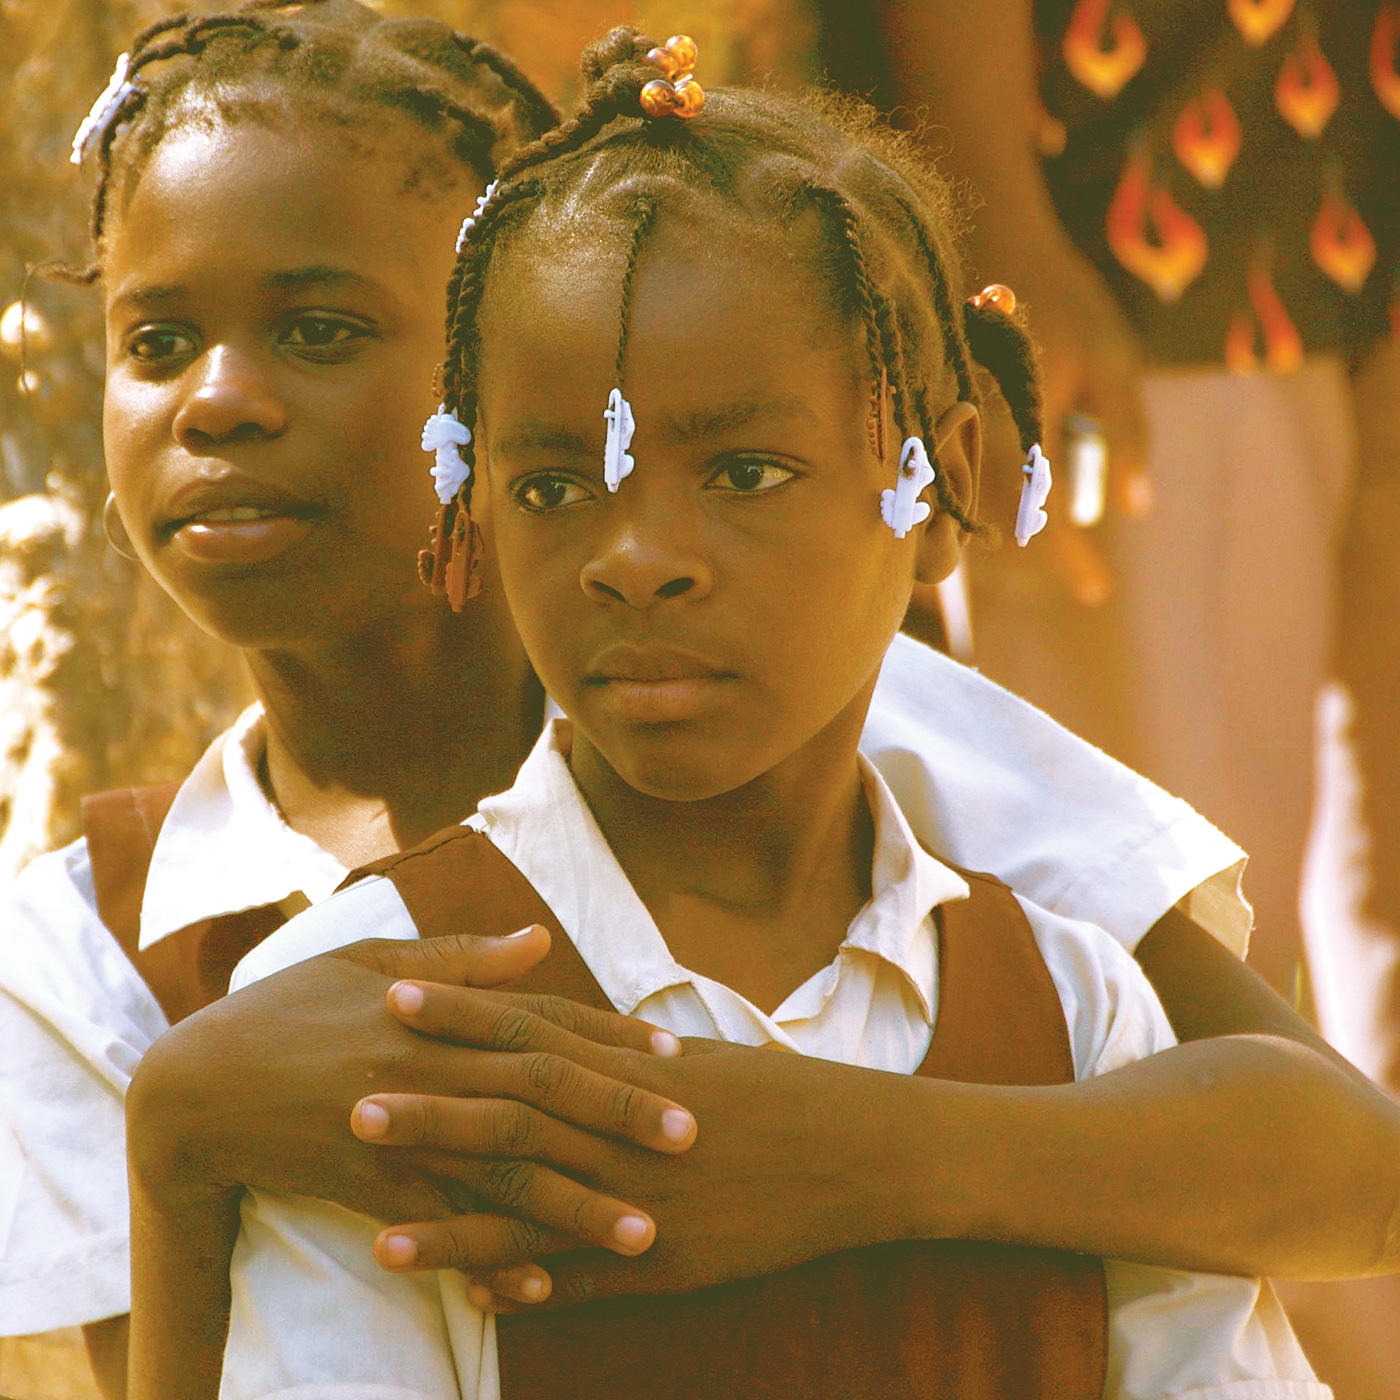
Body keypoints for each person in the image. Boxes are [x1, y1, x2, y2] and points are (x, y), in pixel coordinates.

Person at [5, 3, 1399, 1394]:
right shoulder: (100, 947)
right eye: (156, 341)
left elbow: (1341, 1165)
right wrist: (180, 1136)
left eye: (320, 328)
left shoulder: (869, 734)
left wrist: (836, 1151)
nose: (222, 403)